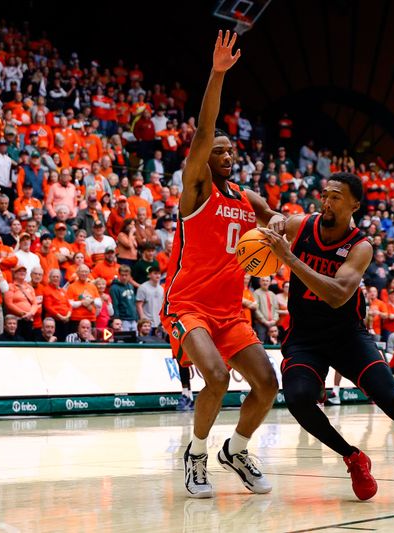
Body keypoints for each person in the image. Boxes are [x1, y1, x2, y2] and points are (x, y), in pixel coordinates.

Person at [259, 172, 394, 504]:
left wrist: (289, 258)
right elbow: (261, 209)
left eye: (336, 196)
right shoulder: (302, 225)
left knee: (392, 400)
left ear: (354, 204)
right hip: (305, 338)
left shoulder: (361, 246)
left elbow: (338, 293)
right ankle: (353, 457)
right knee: (298, 398)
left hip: (347, 337)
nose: (326, 201)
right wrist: (275, 218)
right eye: (325, 195)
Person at [160, 31, 283, 499]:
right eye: (220, 150)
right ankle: (196, 454)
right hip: (187, 303)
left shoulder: (245, 197)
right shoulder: (198, 188)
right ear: (204, 158)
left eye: (232, 151)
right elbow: (205, 129)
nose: (227, 155)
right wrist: (217, 74)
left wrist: (285, 229)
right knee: (214, 376)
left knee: (267, 384)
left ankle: (237, 449)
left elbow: (278, 220)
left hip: (230, 309)